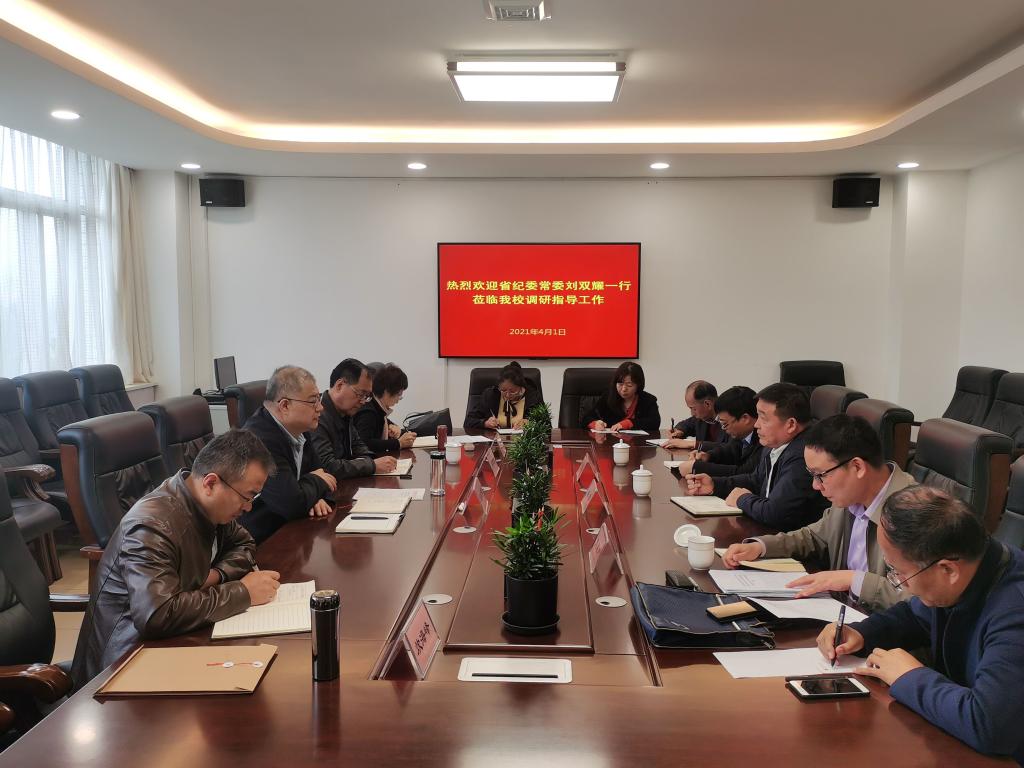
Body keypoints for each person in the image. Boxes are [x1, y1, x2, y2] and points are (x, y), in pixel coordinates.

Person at [817, 486, 1024, 763]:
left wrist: (909, 676)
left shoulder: (1015, 610)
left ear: (948, 570)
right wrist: (862, 633)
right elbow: (915, 615)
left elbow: (990, 726)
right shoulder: (972, 565)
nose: (900, 584)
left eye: (899, 573)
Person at [71, 429, 283, 684]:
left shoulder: (207, 506)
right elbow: (157, 615)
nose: (248, 507)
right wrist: (243, 592)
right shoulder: (152, 525)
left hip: (170, 646)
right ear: (211, 483)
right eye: (246, 496)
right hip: (121, 667)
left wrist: (216, 576)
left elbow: (244, 543)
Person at [724, 413, 914, 611]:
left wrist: (854, 580)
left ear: (857, 467)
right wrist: (761, 547)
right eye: (812, 475)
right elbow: (813, 537)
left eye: (820, 475)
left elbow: (920, 601)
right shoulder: (850, 498)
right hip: (841, 611)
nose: (816, 485)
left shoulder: (915, 513)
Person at [685, 382, 827, 531]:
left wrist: (742, 499)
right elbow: (756, 480)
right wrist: (714, 485)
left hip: (792, 540)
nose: (756, 424)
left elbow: (775, 513)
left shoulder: (805, 455)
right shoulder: (774, 444)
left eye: (763, 418)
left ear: (790, 425)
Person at [241, 365, 338, 543]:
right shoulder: (259, 441)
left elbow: (325, 475)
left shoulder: (299, 430)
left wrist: (313, 495)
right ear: (285, 405)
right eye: (313, 401)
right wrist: (314, 486)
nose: (320, 408)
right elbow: (291, 504)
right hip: (263, 541)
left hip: (293, 530)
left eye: (319, 399)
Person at [312, 358, 398, 479]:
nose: (363, 401)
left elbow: (359, 447)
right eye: (361, 394)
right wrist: (372, 465)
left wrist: (373, 460)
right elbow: (328, 466)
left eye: (367, 396)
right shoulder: (317, 415)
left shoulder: (346, 412)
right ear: (340, 385)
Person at [673, 386, 761, 476]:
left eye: (725, 424)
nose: (723, 428)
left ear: (745, 419)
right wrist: (708, 456)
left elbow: (745, 472)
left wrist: (698, 467)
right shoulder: (742, 434)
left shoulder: (763, 439)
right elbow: (731, 449)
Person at [353, 362, 416, 457]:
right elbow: (364, 443)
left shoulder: (379, 409)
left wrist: (398, 431)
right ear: (386, 391)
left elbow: (393, 429)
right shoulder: (369, 411)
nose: (399, 399)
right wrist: (398, 443)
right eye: (399, 394)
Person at [584, 362, 661, 434]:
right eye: (620, 384)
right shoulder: (608, 397)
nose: (624, 389)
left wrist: (629, 423)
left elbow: (655, 422)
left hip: (638, 442)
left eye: (629, 385)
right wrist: (595, 423)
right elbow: (586, 418)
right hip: (610, 442)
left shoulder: (648, 400)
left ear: (638, 385)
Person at [464, 361, 543, 430]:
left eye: (513, 391)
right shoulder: (491, 395)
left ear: (521, 387)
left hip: (523, 441)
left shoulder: (533, 397)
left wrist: (530, 423)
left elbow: (546, 425)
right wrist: (485, 423)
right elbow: (468, 421)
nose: (507, 395)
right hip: (495, 440)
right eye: (503, 391)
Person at [665, 380, 727, 448]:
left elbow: (729, 447)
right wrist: (679, 431)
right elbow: (686, 424)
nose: (692, 414)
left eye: (693, 409)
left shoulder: (730, 418)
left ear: (708, 404)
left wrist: (693, 444)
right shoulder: (702, 418)